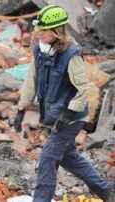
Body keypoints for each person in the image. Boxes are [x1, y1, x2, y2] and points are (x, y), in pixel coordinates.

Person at [14, 5, 115, 202]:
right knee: (69, 158)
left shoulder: (71, 55)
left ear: (57, 32)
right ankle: (107, 191)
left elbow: (83, 89)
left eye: (44, 29)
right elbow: (31, 82)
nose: (39, 33)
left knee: (48, 158)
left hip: (70, 118)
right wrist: (21, 109)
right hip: (53, 117)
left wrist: (68, 114)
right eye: (39, 28)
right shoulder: (40, 52)